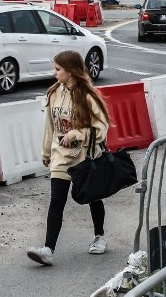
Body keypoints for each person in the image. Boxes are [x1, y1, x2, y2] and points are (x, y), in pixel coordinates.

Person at [27, 50, 111, 266]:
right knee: (56, 201)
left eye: (58, 69)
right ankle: (48, 249)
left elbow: (101, 128)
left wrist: (78, 133)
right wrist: (46, 151)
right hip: (60, 157)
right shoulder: (54, 93)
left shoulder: (89, 97)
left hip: (84, 156)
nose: (54, 73)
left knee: (93, 197)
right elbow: (50, 126)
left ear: (71, 71)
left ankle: (100, 236)